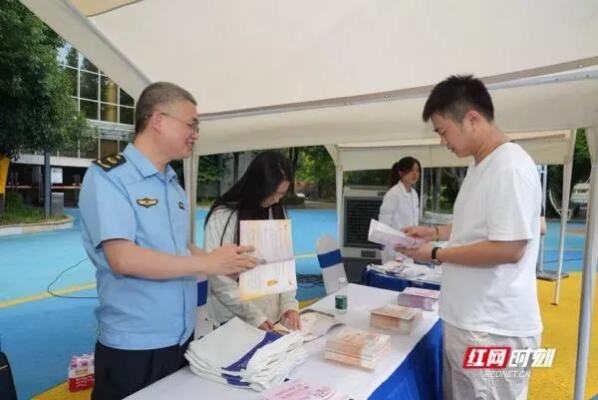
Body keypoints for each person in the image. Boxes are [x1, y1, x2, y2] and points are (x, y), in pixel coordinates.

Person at [79, 82, 257, 400]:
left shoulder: (172, 184)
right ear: (158, 120)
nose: (196, 133)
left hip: (180, 341)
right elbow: (123, 258)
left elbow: (180, 248)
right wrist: (207, 262)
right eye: (191, 124)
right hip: (133, 348)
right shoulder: (108, 177)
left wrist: (222, 263)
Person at [397, 75, 542, 400]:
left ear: (472, 119)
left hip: (493, 329)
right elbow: (478, 227)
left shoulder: (510, 168)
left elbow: (509, 247)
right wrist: (435, 231)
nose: (442, 141)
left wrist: (435, 253)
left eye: (443, 131)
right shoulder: (482, 166)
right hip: (472, 322)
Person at [204, 150, 301, 331]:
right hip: (231, 321)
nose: (276, 200)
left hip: (270, 319)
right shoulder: (223, 216)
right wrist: (253, 316)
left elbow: (284, 266)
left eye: (281, 194)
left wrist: (289, 305)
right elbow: (219, 278)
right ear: (258, 186)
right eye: (273, 193)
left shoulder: (275, 212)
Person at [378, 157, 421, 262]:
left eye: (417, 170)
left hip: (410, 247)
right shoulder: (393, 194)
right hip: (394, 249)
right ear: (401, 173)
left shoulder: (414, 194)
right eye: (411, 170)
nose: (415, 174)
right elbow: (384, 223)